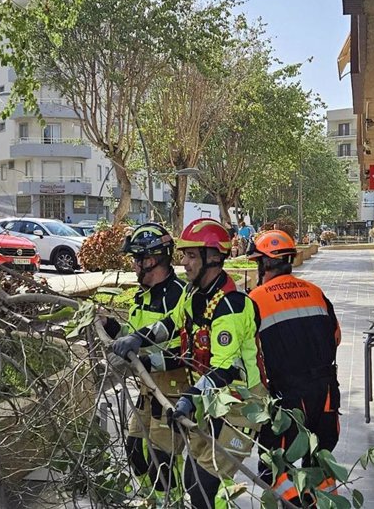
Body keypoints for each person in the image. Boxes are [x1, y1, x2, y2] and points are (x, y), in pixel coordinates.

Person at [113, 218, 267, 509]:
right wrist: (138, 338)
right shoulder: (194, 294)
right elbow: (172, 323)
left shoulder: (230, 305)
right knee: (192, 478)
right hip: (208, 401)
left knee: (203, 487)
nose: (183, 262)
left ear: (214, 258)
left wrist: (187, 399)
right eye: (184, 255)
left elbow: (225, 369)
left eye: (191, 256)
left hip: (239, 405)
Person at [247, 230, 341, 502]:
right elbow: (336, 337)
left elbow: (253, 355)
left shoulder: (255, 300)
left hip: (287, 398)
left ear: (264, 264)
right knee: (320, 467)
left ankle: (291, 504)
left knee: (273, 469)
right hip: (325, 394)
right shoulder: (315, 292)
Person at [103, 223, 187, 492]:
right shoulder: (141, 296)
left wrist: (150, 363)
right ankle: (151, 499)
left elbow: (190, 351)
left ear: (151, 260)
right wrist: (113, 329)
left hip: (173, 391)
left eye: (137, 260)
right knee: (135, 454)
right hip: (146, 388)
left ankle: (169, 500)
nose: (134, 266)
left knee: (163, 464)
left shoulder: (181, 297)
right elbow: (135, 335)